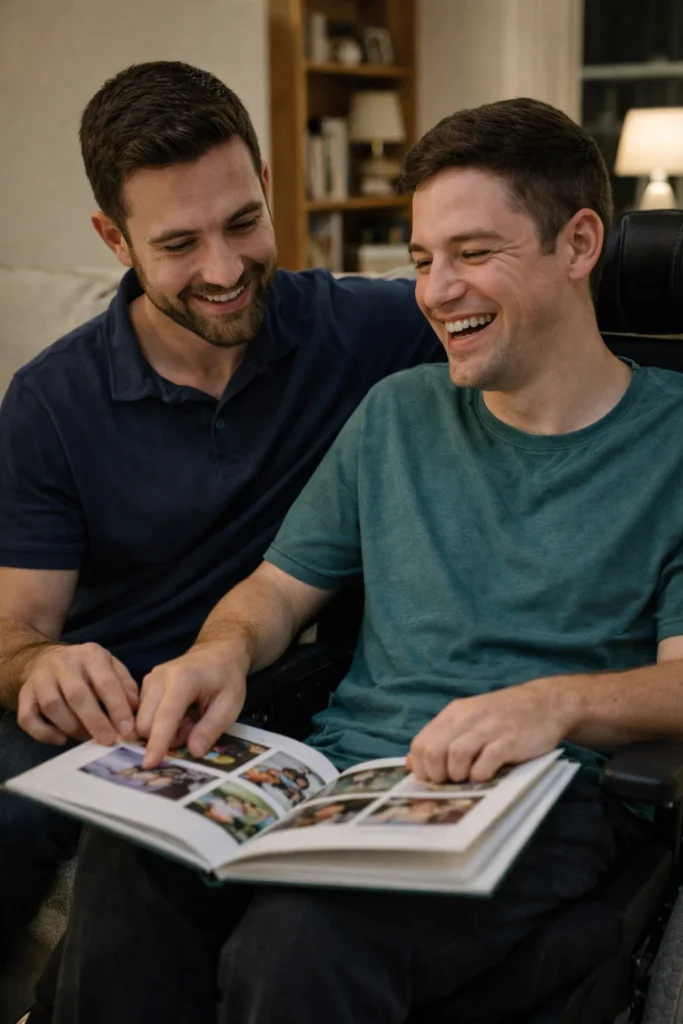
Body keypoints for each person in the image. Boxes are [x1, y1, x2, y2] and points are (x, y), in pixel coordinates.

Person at [47, 95, 683, 1024]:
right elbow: (272, 590)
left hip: (543, 799)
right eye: (423, 260)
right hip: (341, 778)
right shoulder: (395, 413)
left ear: (579, 244)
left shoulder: (671, 440)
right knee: (130, 858)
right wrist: (217, 653)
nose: (435, 290)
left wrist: (557, 702)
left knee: (303, 937)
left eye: (474, 253)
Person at [0, 60, 443, 982]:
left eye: (244, 222)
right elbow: (15, 629)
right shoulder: (51, 401)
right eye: (178, 244)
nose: (225, 269)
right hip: (104, 715)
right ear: (113, 239)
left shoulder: (369, 330)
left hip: (267, 694)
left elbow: (530, 299)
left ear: (269, 185)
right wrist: (39, 665)